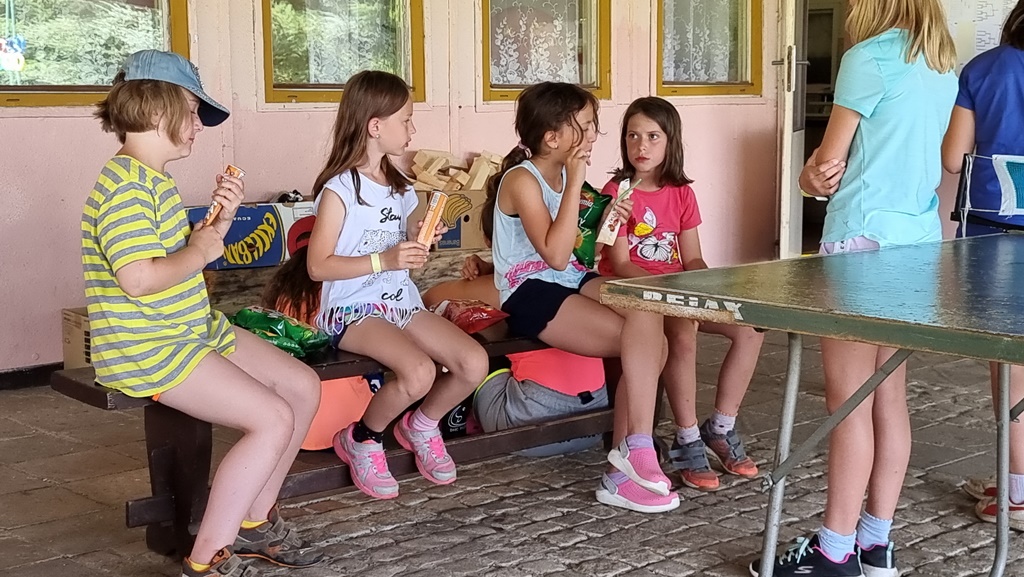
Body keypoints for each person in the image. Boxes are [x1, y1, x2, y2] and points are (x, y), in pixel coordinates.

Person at [83, 50, 323, 577]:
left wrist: (218, 224)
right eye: (192, 113)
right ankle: (207, 558)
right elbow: (138, 278)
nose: (198, 127)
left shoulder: (151, 179)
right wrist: (199, 251)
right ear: (156, 109)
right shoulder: (126, 188)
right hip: (149, 345)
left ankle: (255, 521)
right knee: (271, 419)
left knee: (302, 387)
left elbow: (171, 259)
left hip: (189, 329)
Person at [750, 1, 958, 575]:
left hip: (861, 238)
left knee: (847, 403)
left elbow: (826, 166)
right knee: (889, 397)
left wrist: (806, 177)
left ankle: (834, 549)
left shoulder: (868, 57)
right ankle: (875, 542)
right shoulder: (941, 64)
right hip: (917, 242)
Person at [486, 82, 678, 513]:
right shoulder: (521, 180)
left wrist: (607, 217)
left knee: (647, 315)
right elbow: (553, 254)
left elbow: (579, 249)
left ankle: (630, 458)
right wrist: (575, 183)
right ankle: (631, 456)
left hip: (572, 277)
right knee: (646, 346)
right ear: (553, 137)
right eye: (586, 126)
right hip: (529, 290)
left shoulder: (565, 177)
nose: (594, 136)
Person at [305, 70, 488, 500]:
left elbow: (402, 243)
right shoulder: (340, 190)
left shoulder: (400, 187)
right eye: (405, 120)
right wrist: (384, 259)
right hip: (352, 309)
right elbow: (317, 266)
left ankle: (421, 425)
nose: (412, 129)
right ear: (375, 126)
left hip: (400, 303)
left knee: (473, 363)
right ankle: (363, 438)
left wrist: (422, 237)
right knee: (419, 371)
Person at [598, 97, 764, 492]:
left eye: (653, 137)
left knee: (750, 328)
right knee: (684, 335)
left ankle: (720, 428)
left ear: (671, 141)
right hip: (637, 293)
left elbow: (692, 258)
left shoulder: (682, 193)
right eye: (633, 136)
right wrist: (670, 294)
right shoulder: (618, 190)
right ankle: (687, 438)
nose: (641, 146)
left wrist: (710, 287)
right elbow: (620, 263)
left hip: (676, 292)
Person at [941, 0, 1024, 532]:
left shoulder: (983, 69)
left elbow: (954, 158)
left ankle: (1018, 491)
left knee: (1009, 366)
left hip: (995, 235)